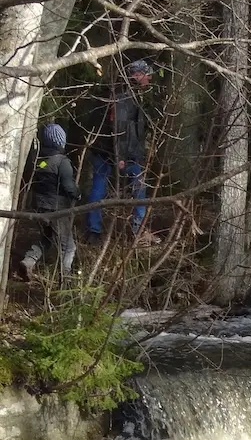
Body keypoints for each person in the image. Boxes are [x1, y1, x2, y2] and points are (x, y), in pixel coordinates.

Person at [84, 59, 154, 243]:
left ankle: (94, 231)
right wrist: (120, 157)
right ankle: (136, 231)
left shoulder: (119, 92)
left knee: (99, 188)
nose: (149, 78)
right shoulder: (123, 95)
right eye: (146, 74)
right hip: (116, 153)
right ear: (136, 75)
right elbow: (119, 128)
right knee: (138, 188)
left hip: (105, 150)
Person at [19, 123, 77, 279]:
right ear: (60, 141)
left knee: (46, 239)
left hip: (39, 207)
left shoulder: (40, 160)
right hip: (57, 209)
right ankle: (65, 277)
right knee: (68, 247)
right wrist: (78, 194)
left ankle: (28, 261)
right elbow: (68, 186)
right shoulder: (62, 162)